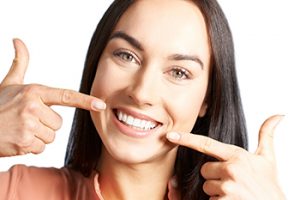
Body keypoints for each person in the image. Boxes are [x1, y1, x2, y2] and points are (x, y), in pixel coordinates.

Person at [0, 0, 286, 199]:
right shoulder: (16, 191)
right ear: (95, 65)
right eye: (126, 55)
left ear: (207, 101)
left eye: (179, 72)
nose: (141, 92)